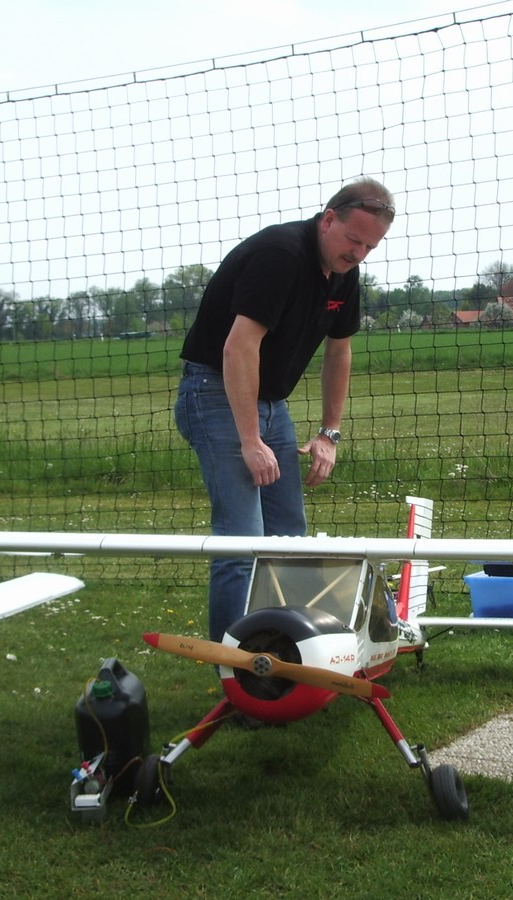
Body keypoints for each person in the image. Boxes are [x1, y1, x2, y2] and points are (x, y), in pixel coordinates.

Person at [175, 177, 395, 642]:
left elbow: (339, 350)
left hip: (272, 402)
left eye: (370, 247)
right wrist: (250, 440)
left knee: (288, 539)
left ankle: (282, 648)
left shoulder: (344, 272)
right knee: (242, 542)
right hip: (214, 393)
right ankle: (236, 668)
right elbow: (238, 347)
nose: (358, 254)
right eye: (353, 240)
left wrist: (329, 433)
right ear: (328, 219)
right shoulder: (281, 255)